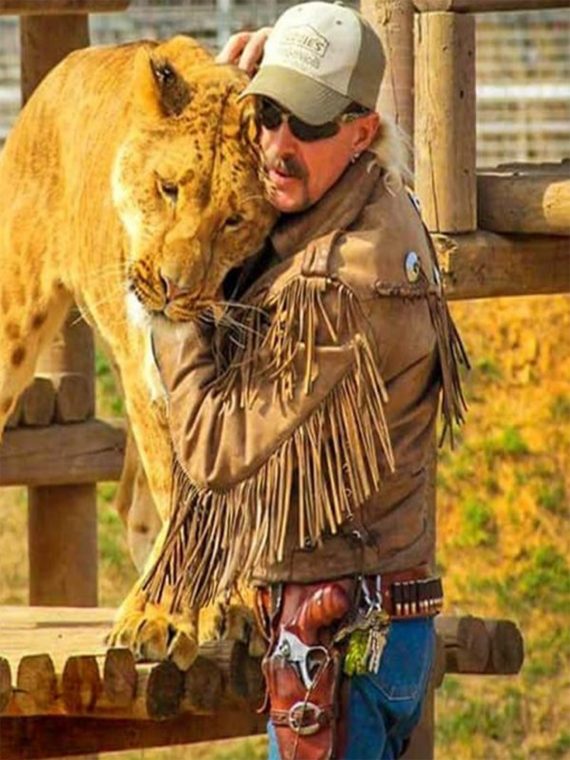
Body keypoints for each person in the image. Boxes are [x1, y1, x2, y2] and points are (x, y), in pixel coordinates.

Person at [145, 2, 468, 758]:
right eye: (267, 114)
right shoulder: (380, 198)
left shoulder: (339, 286)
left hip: (332, 641)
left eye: (310, 123)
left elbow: (216, 450)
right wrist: (254, 87)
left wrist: (172, 306)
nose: (276, 146)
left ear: (360, 130)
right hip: (370, 627)